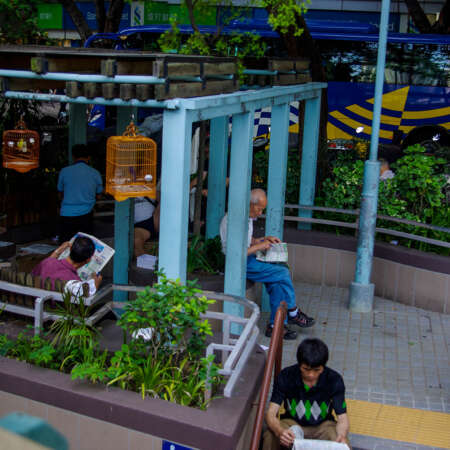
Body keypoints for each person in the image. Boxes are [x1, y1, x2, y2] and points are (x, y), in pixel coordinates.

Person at [220, 189, 314, 340]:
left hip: (248, 259)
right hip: (239, 264)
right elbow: (236, 254)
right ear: (251, 204)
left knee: (276, 283)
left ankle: (275, 326)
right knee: (282, 273)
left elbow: (247, 240)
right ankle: (292, 312)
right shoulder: (235, 220)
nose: (260, 213)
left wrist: (263, 239)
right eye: (259, 208)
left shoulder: (246, 216)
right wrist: (260, 247)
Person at [263, 338, 350, 449]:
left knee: (342, 443)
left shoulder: (334, 380)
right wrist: (279, 431)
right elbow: (270, 413)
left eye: (317, 370)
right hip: (292, 423)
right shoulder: (286, 376)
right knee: (270, 435)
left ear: (324, 366)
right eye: (306, 369)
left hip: (323, 427)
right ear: (299, 365)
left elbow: (342, 418)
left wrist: (342, 436)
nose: (311, 375)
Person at [57, 144, 103, 243]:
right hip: (86, 215)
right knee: (84, 246)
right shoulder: (95, 173)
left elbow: (60, 193)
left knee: (65, 246)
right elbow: (99, 195)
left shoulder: (64, 171)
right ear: (89, 158)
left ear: (73, 157)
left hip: (66, 214)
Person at [32, 236, 102, 297]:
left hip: (38, 306)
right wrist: (95, 286)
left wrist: (58, 251)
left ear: (70, 249)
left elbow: (49, 262)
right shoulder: (74, 282)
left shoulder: (46, 263)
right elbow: (82, 307)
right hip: (56, 310)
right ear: (88, 260)